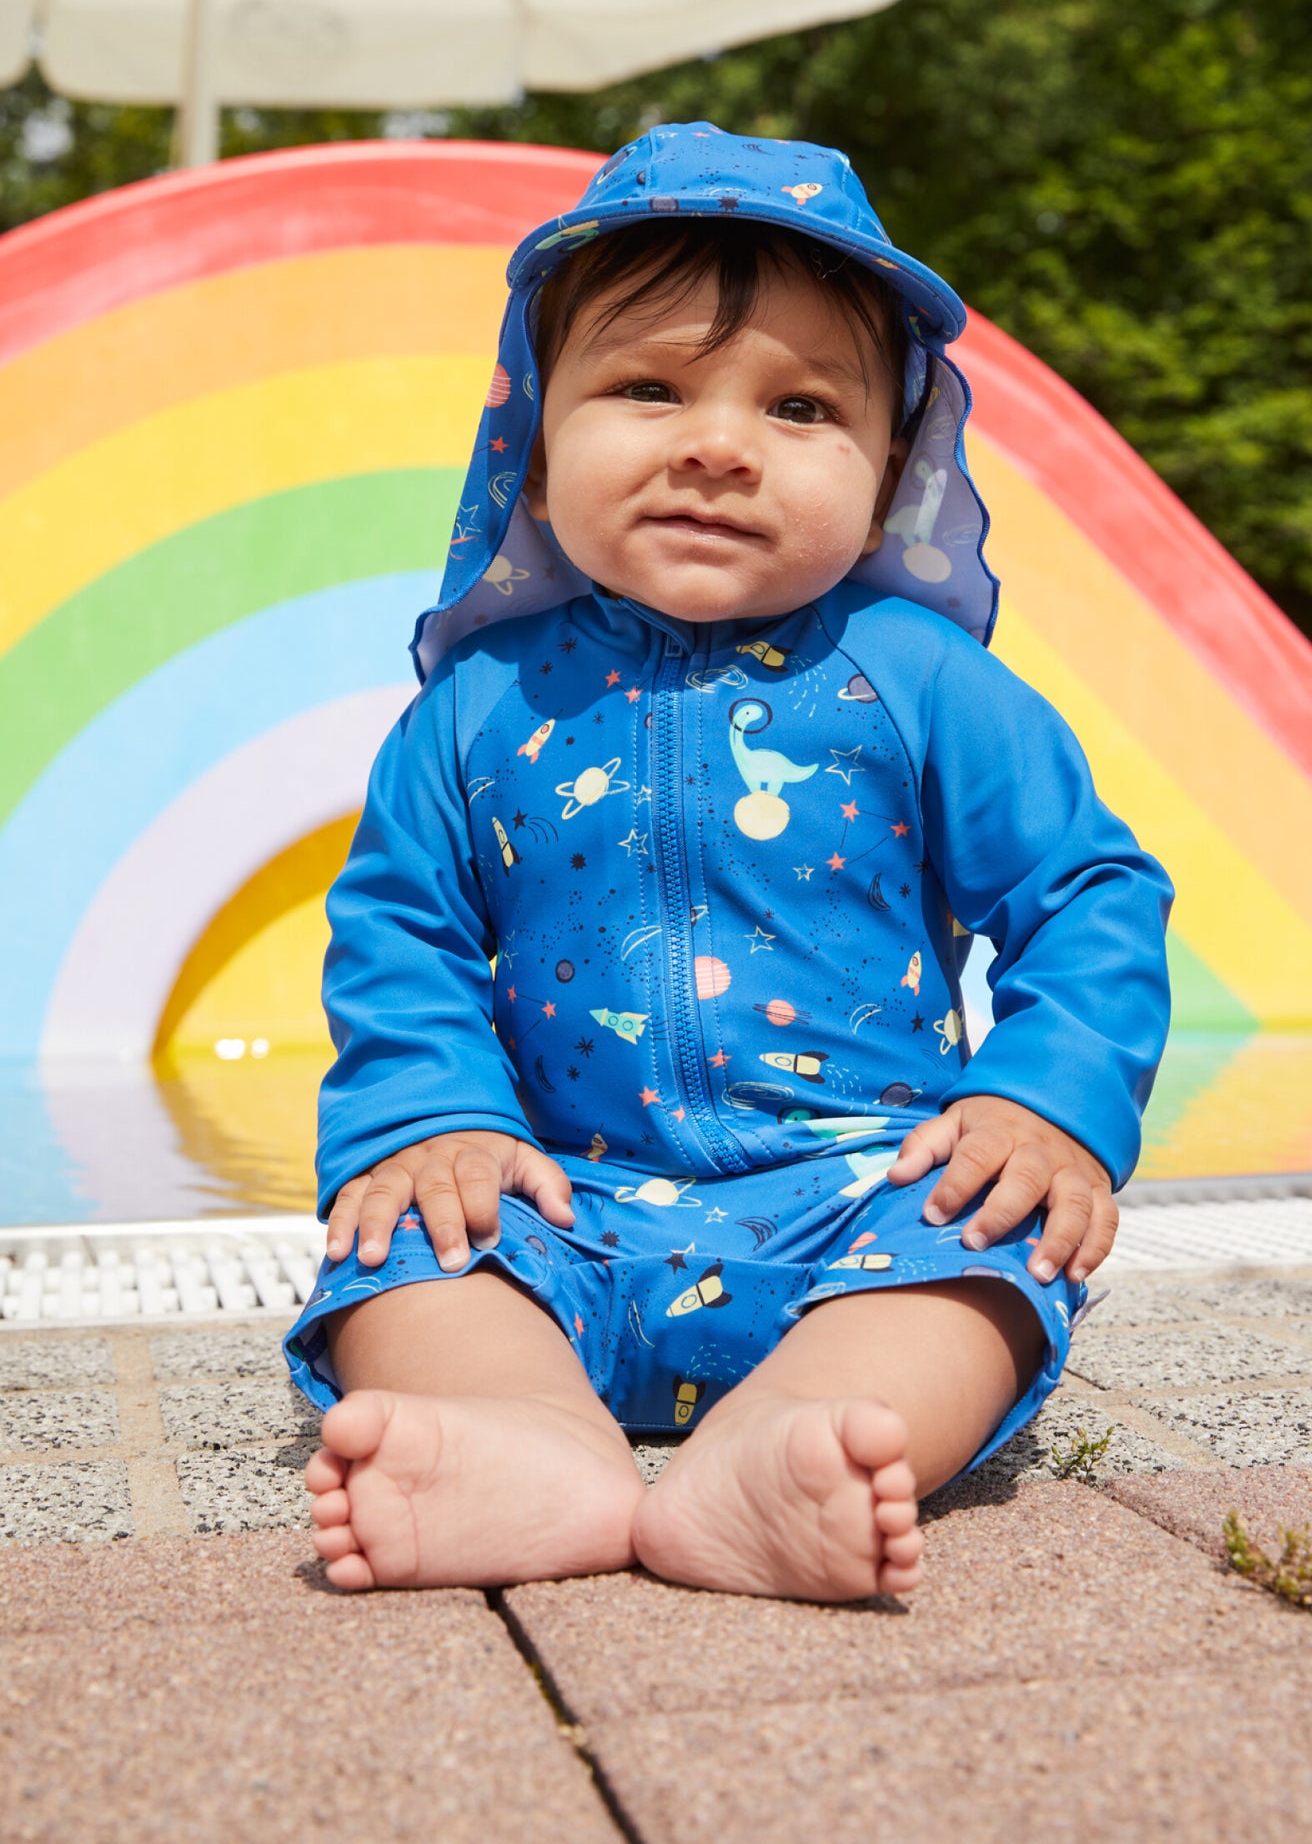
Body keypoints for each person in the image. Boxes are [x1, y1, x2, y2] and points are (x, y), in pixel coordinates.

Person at [286, 123, 1172, 1603]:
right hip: (557, 1209)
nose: (716, 444)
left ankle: (791, 1446)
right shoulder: (474, 709)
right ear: (534, 442)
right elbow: (402, 935)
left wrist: (1042, 1101)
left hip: (860, 1198)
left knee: (981, 1264)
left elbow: (1087, 893)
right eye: (647, 389)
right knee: (406, 1259)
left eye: (802, 406)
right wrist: (432, 1121)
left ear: (888, 474)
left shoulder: (924, 683)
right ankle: (526, 1442)